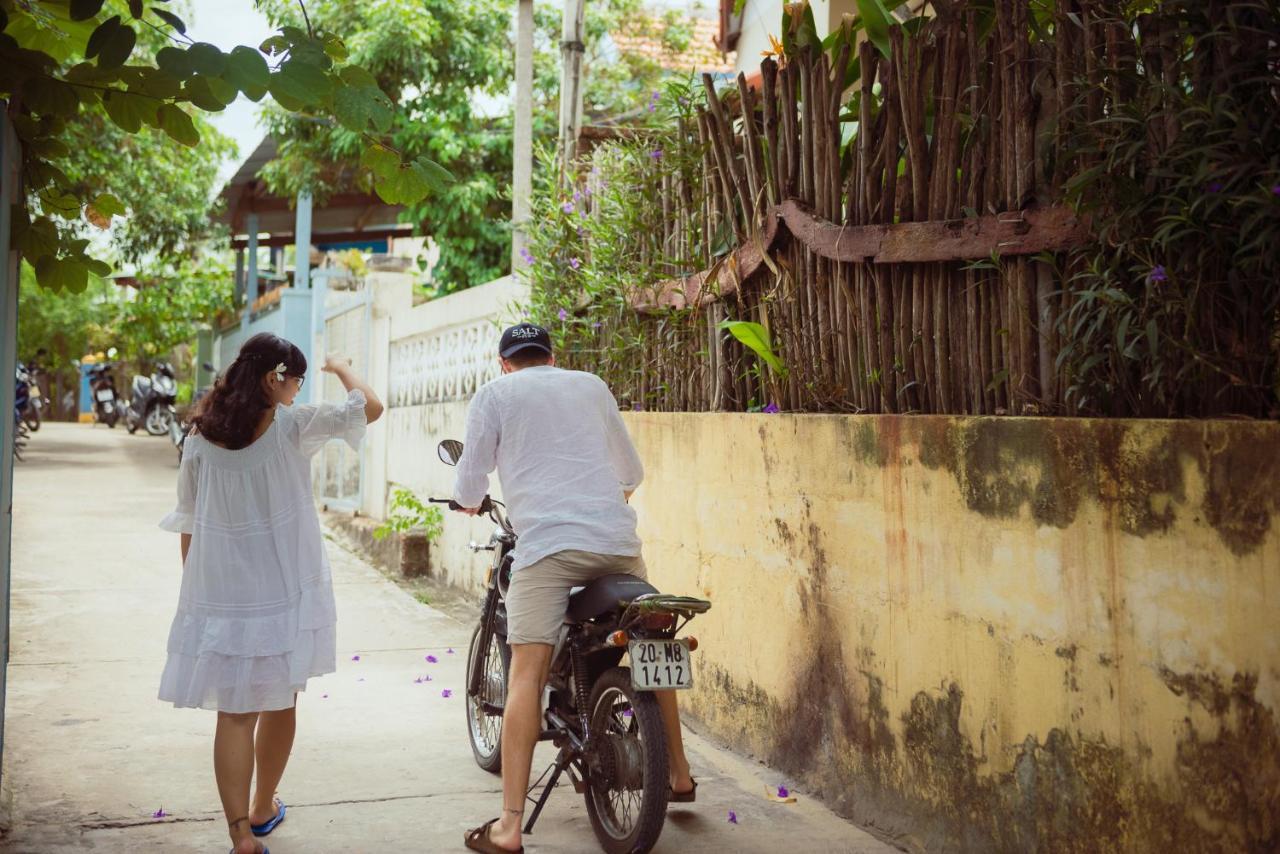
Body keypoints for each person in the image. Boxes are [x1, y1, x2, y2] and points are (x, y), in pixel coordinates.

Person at [454, 323, 696, 854]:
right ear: (552, 356)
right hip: (617, 544)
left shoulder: (494, 395)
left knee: (526, 673)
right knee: (650, 647)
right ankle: (679, 774)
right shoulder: (589, 384)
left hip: (547, 550)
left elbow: (470, 487)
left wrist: (470, 502)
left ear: (504, 363)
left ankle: (510, 826)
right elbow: (630, 471)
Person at [157, 332, 383, 854]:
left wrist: (200, 596)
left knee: (234, 712)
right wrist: (342, 364)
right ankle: (262, 808)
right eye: (295, 382)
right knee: (281, 700)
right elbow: (369, 407)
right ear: (272, 378)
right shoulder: (291, 428)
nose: (298, 393)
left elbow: (188, 524)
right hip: (283, 593)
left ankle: (241, 835)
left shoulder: (198, 438)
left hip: (223, 596)